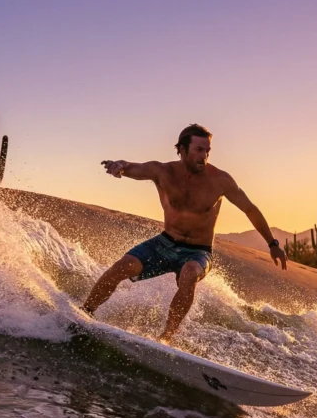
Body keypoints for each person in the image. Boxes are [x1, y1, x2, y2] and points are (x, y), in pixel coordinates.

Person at [81, 124, 287, 343]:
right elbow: (132, 167)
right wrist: (118, 166)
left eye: (207, 151)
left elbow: (250, 209)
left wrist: (272, 243)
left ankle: (166, 339)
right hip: (165, 243)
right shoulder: (163, 171)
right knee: (122, 266)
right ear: (181, 149)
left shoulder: (220, 180)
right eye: (199, 150)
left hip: (198, 252)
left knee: (189, 274)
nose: (204, 156)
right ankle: (85, 313)